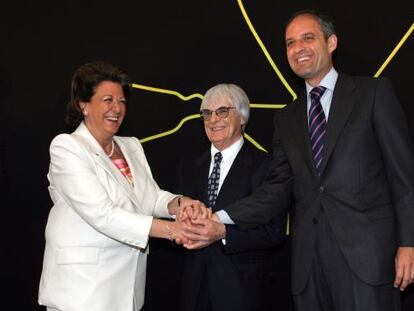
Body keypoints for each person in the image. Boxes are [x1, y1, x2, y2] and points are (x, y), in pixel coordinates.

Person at [199, 10, 414, 311]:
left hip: (368, 260)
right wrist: (218, 217)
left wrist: (409, 243)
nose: (298, 48)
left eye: (307, 38)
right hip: (309, 269)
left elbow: (404, 177)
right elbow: (276, 190)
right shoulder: (286, 118)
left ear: (332, 42)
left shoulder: (373, 94)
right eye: (290, 43)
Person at [38, 61, 204, 311]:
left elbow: (151, 197)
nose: (117, 108)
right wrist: (173, 230)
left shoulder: (131, 146)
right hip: (82, 293)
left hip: (126, 292)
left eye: (122, 101)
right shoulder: (67, 147)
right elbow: (102, 214)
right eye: (107, 100)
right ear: (83, 104)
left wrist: (180, 204)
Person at [176, 83, 287, 311]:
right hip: (193, 289)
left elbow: (273, 233)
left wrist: (223, 233)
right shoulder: (188, 167)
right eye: (207, 113)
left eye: (222, 111)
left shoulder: (267, 167)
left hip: (242, 291)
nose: (213, 120)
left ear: (243, 117)